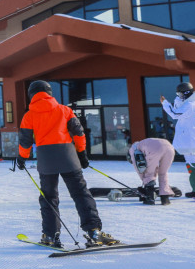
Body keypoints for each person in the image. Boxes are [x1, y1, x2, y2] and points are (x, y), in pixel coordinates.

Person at [17, 80, 118, 248]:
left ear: (31, 95)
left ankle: (50, 235)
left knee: (49, 197)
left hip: (46, 158)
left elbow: (25, 141)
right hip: (67, 156)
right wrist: (82, 154)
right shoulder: (64, 110)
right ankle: (94, 231)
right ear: (49, 93)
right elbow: (79, 133)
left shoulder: (29, 115)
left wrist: (22, 157)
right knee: (80, 193)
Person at [160, 82, 195, 198]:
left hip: (191, 140)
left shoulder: (192, 104)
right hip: (191, 139)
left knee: (192, 165)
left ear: (187, 93)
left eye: (180, 94)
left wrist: (165, 104)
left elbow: (175, 113)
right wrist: (177, 99)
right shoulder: (190, 103)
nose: (179, 96)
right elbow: (178, 107)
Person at [127, 138, 176, 205]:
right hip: (169, 147)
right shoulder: (141, 143)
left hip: (154, 149)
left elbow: (140, 169)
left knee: (149, 174)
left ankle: (150, 198)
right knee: (163, 173)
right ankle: (165, 198)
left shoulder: (132, 150)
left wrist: (145, 181)